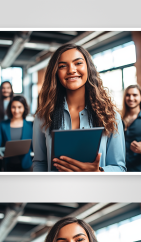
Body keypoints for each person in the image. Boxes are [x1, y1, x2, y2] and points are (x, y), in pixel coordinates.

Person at [32, 43, 126, 172]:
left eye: (78, 63)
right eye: (63, 66)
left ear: (88, 68)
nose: (71, 70)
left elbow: (119, 167)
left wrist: (99, 173)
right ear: (55, 73)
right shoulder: (43, 117)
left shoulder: (111, 116)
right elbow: (40, 163)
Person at [0, 95, 33, 172]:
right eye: (13, 107)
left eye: (19, 107)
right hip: (8, 164)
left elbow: (35, 146)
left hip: (26, 164)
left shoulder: (31, 125)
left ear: (24, 108)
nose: (16, 110)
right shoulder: (3, 124)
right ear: (9, 108)